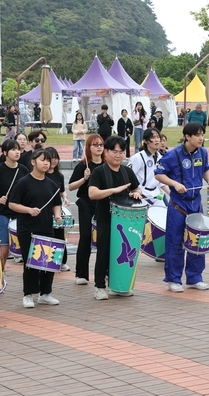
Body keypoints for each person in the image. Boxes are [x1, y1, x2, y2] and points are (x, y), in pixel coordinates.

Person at [154, 122, 209, 293]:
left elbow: (206, 169)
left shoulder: (203, 152)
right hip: (178, 205)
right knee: (175, 242)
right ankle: (173, 279)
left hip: (196, 204)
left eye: (202, 134)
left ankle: (195, 277)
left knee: (198, 242)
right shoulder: (173, 154)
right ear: (187, 137)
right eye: (198, 135)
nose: (201, 138)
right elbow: (158, 174)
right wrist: (175, 184)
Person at [88, 136, 142, 300]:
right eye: (114, 151)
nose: (118, 155)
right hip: (105, 218)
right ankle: (99, 286)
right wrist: (113, 190)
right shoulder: (99, 171)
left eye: (121, 152)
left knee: (121, 251)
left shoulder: (127, 171)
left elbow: (137, 188)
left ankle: (118, 285)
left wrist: (136, 193)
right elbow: (92, 193)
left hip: (124, 220)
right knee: (103, 252)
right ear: (106, 152)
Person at [8, 149, 63, 308]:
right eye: (42, 160)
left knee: (48, 261)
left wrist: (57, 215)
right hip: (27, 228)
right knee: (31, 262)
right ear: (33, 162)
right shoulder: (23, 183)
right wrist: (28, 210)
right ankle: (28, 294)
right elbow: (12, 204)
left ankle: (45, 294)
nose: (46, 163)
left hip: (46, 227)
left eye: (48, 160)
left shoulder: (51, 184)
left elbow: (56, 204)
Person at [0, 139, 30, 271]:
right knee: (3, 249)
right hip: (3, 213)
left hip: (20, 214)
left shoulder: (24, 169)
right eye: (13, 150)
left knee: (24, 248)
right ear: (4, 152)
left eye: (18, 149)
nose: (17, 152)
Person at [68, 134, 106, 285]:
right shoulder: (83, 166)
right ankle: (81, 274)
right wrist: (84, 178)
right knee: (85, 236)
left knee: (104, 238)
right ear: (88, 148)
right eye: (95, 145)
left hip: (102, 204)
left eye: (101, 144)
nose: (99, 147)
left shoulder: (106, 165)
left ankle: (105, 271)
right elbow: (71, 186)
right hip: (86, 204)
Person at [45, 147, 71, 272]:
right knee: (47, 234)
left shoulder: (59, 176)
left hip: (57, 208)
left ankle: (61, 261)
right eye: (51, 158)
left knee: (59, 235)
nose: (54, 161)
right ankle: (47, 260)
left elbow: (62, 191)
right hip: (44, 209)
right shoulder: (42, 174)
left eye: (56, 158)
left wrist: (65, 198)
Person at [130, 128, 167, 203]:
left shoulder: (160, 157)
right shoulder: (138, 157)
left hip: (156, 194)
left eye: (158, 137)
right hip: (141, 195)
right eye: (153, 137)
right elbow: (128, 176)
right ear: (146, 141)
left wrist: (172, 194)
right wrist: (134, 191)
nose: (157, 140)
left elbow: (161, 181)